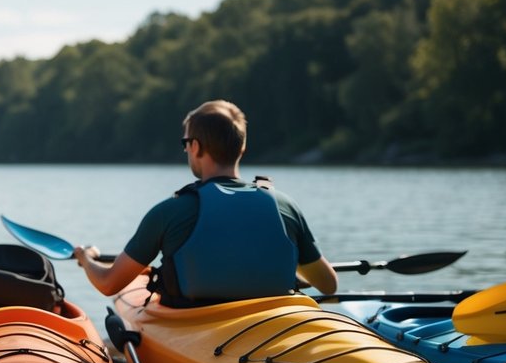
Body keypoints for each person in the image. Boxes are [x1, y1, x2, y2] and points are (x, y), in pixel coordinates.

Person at [73, 99, 338, 304]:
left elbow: (108, 284)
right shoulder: (284, 206)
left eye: (185, 143)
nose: (186, 149)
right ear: (242, 148)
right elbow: (328, 285)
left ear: (196, 146)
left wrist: (87, 258)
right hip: (275, 323)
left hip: (200, 327)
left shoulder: (169, 212)